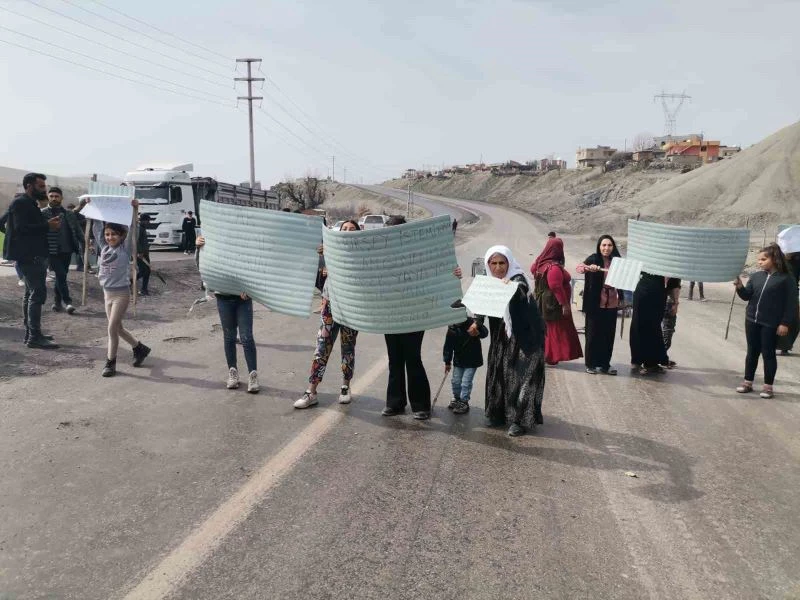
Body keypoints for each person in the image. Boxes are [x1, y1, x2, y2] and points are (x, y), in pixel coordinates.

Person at [380, 215, 463, 420]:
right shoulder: (381, 256)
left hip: (414, 315)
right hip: (389, 315)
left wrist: (453, 274)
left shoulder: (418, 254)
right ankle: (395, 403)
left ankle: (421, 405)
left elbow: (439, 271)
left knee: (412, 357)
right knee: (394, 359)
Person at [480, 246, 546, 436]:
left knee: (523, 379)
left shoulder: (518, 278)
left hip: (526, 339)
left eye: (502, 263)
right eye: (493, 263)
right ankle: (498, 414)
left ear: (509, 263)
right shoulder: (488, 283)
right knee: (500, 376)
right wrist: (476, 323)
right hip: (502, 339)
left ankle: (520, 421)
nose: (498, 267)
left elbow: (521, 289)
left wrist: (510, 286)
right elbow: (480, 305)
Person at [295, 220, 361, 409]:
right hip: (330, 305)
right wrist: (322, 257)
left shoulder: (363, 254)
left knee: (348, 348)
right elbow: (317, 275)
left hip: (351, 307)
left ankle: (345, 387)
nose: (347, 231)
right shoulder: (328, 251)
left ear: (358, 233)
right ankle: (311, 391)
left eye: (352, 229)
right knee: (322, 347)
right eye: (344, 228)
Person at [89, 200, 151, 377]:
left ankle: (110, 363)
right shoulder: (103, 248)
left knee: (111, 329)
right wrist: (94, 207)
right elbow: (97, 228)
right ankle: (139, 348)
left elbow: (133, 229)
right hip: (106, 294)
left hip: (121, 295)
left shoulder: (125, 249)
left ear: (122, 235)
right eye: (107, 234)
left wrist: (134, 209)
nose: (110, 237)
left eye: (114, 234)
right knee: (118, 328)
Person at [1, 173, 61, 348]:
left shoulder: (28, 203)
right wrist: (47, 225)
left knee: (30, 294)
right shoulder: (21, 203)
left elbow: (14, 227)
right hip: (30, 256)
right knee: (37, 294)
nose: (44, 190)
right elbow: (21, 228)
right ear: (29, 186)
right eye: (41, 186)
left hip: (32, 255)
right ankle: (34, 337)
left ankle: (32, 333)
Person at [196, 234, 259, 393]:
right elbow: (202, 267)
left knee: (246, 337)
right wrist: (198, 248)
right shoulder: (213, 243)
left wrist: (250, 288)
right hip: (223, 298)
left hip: (243, 300)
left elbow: (253, 268)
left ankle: (253, 375)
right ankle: (233, 373)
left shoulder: (243, 245)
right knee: (229, 337)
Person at [734, 244, 798, 398]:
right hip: (752, 320)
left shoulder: (786, 279)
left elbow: (791, 304)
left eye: (763, 259)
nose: (759, 262)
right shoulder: (756, 276)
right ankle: (747, 382)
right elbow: (747, 296)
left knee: (768, 353)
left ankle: (768, 387)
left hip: (771, 323)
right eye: (759, 259)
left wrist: (785, 323)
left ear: (774, 259)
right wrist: (740, 287)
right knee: (752, 352)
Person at [531, 237, 583, 366]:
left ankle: (548, 356)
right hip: (553, 304)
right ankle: (550, 356)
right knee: (555, 330)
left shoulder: (540, 263)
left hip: (543, 301)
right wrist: (564, 304)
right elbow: (555, 286)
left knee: (548, 329)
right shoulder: (553, 267)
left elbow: (533, 270)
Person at [576, 235, 624, 375]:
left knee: (608, 335)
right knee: (593, 334)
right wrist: (588, 268)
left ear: (613, 247)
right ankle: (590, 364)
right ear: (599, 246)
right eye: (604, 245)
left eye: (609, 245)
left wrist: (622, 298)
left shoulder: (617, 261)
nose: (606, 248)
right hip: (595, 302)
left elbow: (624, 278)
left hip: (612, 303)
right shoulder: (593, 259)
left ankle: (604, 364)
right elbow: (579, 268)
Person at [41, 187, 84, 315]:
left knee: (62, 276)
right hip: (51, 251)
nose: (54, 198)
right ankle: (68, 302)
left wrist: (86, 243)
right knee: (60, 274)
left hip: (67, 250)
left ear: (61, 198)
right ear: (48, 197)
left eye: (56, 196)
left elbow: (77, 230)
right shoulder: (42, 213)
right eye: (51, 196)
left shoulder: (68, 214)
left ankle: (57, 302)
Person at [630, 273, 676, 375]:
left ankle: (646, 362)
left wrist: (675, 302)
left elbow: (674, 282)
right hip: (648, 290)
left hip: (653, 292)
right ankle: (642, 362)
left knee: (649, 326)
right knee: (643, 326)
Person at [443, 312, 488, 414]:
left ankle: (464, 401)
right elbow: (448, 347)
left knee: (466, 382)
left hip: (472, 360)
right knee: (456, 381)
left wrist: (478, 331)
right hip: (459, 360)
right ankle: (457, 398)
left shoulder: (473, 323)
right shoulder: (452, 329)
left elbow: (485, 333)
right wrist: (447, 362)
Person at [777, 252, 799, 355]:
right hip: (776, 289)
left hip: (793, 292)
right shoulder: (777, 254)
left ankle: (785, 346)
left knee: (793, 318)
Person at [660, 278, 682, 368]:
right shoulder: (675, 276)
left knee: (665, 331)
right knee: (668, 332)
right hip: (670, 303)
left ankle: (662, 358)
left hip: (664, 302)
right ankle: (660, 358)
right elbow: (675, 288)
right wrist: (676, 304)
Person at [136, 213, 151, 296]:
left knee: (147, 271)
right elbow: (137, 241)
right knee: (144, 271)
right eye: (148, 221)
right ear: (143, 221)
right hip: (140, 254)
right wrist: (139, 252)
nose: (149, 222)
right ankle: (130, 282)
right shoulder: (139, 228)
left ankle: (144, 289)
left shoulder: (143, 228)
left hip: (145, 253)